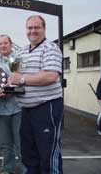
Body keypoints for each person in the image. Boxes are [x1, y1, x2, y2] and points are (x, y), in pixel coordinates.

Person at [9, 15, 63, 173]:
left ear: (44, 29)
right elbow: (14, 75)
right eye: (30, 28)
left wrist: (22, 79)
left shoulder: (50, 48)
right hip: (26, 109)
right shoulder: (22, 51)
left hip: (46, 108)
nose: (33, 31)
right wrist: (7, 84)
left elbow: (51, 76)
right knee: (28, 154)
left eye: (36, 27)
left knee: (48, 156)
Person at [0, 35, 22, 174]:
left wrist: (8, 90)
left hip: (18, 108)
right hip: (0, 109)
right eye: (0, 44)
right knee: (5, 144)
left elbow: (23, 83)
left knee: (21, 142)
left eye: (5, 43)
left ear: (11, 44)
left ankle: (25, 169)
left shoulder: (19, 60)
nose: (3, 46)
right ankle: (7, 169)